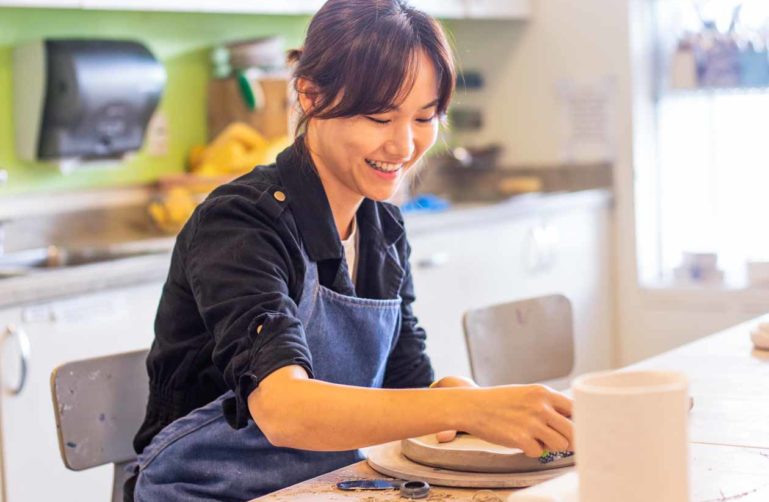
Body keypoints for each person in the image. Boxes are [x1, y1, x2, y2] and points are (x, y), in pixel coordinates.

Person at [128, 1, 574, 500]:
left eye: (425, 118)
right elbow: (283, 409)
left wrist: (467, 397)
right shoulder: (239, 223)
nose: (404, 146)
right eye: (380, 117)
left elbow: (407, 393)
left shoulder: (382, 227)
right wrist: (466, 410)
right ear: (311, 96)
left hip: (327, 487)